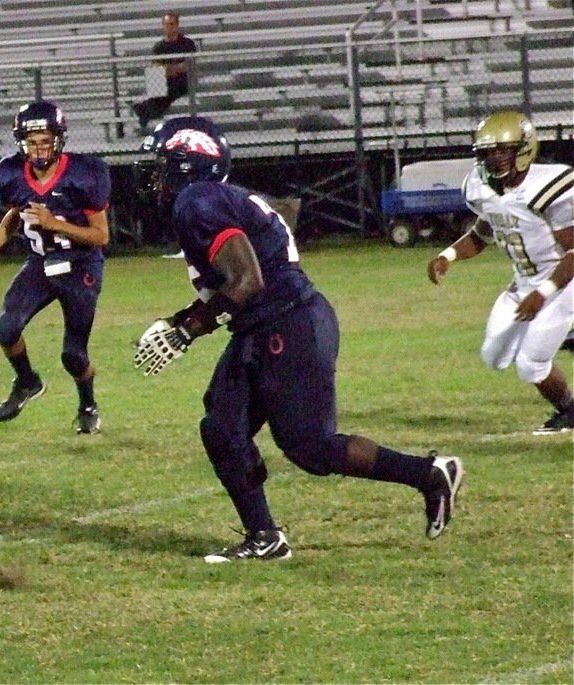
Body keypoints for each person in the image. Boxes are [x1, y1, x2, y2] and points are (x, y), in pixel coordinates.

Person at [134, 117, 464, 561]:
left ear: (186, 164)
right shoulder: (213, 197)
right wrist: (183, 320)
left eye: (162, 163)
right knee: (222, 426)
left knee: (311, 447)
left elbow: (247, 282)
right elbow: (241, 285)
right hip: (268, 323)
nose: (154, 176)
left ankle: (429, 473)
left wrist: (188, 330)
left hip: (286, 322)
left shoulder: (196, 200)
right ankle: (264, 537)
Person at [427, 110, 574, 435]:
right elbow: (484, 231)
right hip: (524, 284)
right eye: (488, 152)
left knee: (530, 364)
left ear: (524, 148)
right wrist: (448, 255)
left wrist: (542, 294)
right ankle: (564, 336)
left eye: (503, 150)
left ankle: (570, 410)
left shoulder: (549, 185)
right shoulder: (481, 186)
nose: (495, 159)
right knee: (494, 356)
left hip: (564, 283)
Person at [0, 100, 111, 434]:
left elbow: (101, 236)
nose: (39, 149)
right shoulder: (12, 174)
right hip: (41, 263)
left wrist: (55, 224)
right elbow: (15, 216)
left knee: (73, 354)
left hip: (81, 265)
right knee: (5, 330)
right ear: (21, 144)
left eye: (45, 141)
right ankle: (27, 381)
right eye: (32, 142)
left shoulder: (84, 174)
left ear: (58, 140)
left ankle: (87, 405)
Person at [132, 13, 197, 132]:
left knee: (162, 89)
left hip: (183, 80)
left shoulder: (187, 44)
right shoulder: (159, 47)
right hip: (165, 80)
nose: (169, 27)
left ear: (177, 25)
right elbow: (157, 69)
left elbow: (188, 66)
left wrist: (168, 68)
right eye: (166, 24)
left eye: (172, 24)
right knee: (154, 78)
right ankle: (147, 111)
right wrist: (173, 68)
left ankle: (143, 110)